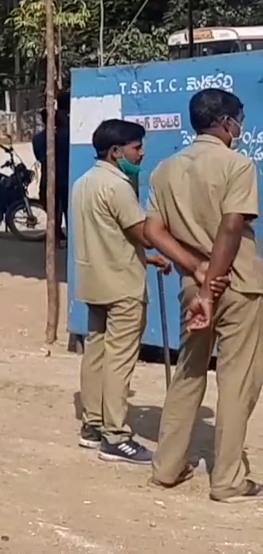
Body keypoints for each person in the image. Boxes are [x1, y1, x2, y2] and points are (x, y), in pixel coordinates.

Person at [147, 87, 263, 500]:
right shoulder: (237, 165)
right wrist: (214, 285)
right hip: (238, 284)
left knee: (189, 372)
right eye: (239, 120)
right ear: (227, 122)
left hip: (193, 286)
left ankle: (167, 466)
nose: (241, 128)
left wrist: (198, 272)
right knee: (237, 381)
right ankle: (228, 479)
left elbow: (154, 231)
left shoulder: (164, 169)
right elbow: (232, 227)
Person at [71, 118, 193, 463]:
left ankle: (92, 425)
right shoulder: (117, 187)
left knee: (96, 354)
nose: (141, 154)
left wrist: (149, 258)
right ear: (115, 151)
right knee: (120, 359)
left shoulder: (84, 183)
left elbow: (114, 234)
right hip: (122, 284)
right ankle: (115, 435)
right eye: (136, 147)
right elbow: (140, 231)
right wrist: (176, 253)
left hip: (94, 280)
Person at [34, 91, 72, 237]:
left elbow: (40, 158)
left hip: (49, 178)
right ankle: (69, 236)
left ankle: (56, 234)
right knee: (68, 208)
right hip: (66, 178)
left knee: (53, 209)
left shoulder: (38, 139)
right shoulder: (68, 135)